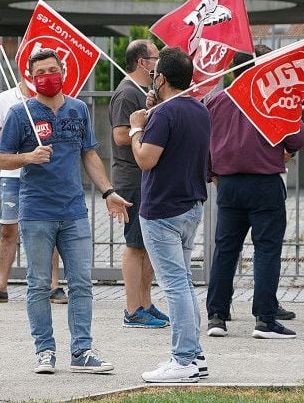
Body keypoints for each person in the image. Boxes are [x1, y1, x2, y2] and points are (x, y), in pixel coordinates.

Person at [0, 49, 129, 375]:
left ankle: (82, 350)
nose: (47, 76)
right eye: (40, 72)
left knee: (81, 282)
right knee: (39, 284)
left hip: (74, 211)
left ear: (64, 71)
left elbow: (90, 155)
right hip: (36, 211)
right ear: (31, 77)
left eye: (53, 69)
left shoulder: (79, 109)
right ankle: (44, 351)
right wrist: (28, 157)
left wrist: (108, 191)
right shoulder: (19, 112)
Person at [204, 47, 301, 340]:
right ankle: (265, 319)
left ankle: (217, 316)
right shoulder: (272, 97)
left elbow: (204, 141)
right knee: (267, 251)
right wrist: (289, 149)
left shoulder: (217, 101)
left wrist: (212, 173)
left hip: (229, 185)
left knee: (225, 250)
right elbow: (297, 135)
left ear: (233, 70)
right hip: (265, 183)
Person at [128, 47, 211, 382]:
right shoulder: (198, 110)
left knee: (176, 285)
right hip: (190, 206)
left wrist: (136, 129)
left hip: (163, 209)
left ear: (161, 78)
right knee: (184, 283)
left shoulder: (165, 115)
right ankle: (194, 354)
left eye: (155, 73)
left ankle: (183, 359)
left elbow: (145, 159)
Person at [0, 80, 65, 305]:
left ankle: (54, 285)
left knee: (50, 228)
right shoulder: (5, 98)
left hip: (44, 175)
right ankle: (0, 285)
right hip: (12, 175)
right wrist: (18, 125)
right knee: (8, 229)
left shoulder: (55, 99)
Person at [109, 39, 169, 329]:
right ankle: (133, 309)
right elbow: (120, 135)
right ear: (143, 62)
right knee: (135, 245)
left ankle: (146, 303)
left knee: (146, 245)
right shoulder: (126, 93)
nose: (159, 62)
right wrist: (143, 125)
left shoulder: (143, 92)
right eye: (156, 57)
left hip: (144, 178)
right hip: (131, 178)